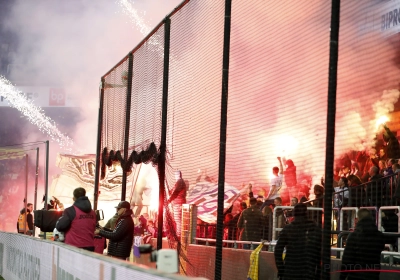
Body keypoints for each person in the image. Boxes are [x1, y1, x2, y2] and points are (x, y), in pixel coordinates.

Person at [274, 203, 321, 280]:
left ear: (294, 213)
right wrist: (318, 272)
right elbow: (320, 252)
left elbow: (278, 250)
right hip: (309, 271)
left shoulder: (288, 229)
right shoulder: (315, 229)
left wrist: (281, 269)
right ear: (306, 213)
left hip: (290, 271)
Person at [340, 209, 385, 280]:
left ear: (358, 219)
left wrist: (342, 277)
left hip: (355, 276)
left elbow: (347, 259)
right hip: (373, 275)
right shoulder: (379, 235)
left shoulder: (353, 236)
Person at [167, 170, 187, 237]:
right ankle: (178, 234)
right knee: (177, 220)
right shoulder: (178, 182)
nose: (175, 176)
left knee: (178, 220)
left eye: (176, 175)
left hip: (178, 203)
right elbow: (173, 191)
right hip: (177, 203)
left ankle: (179, 235)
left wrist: (169, 200)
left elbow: (175, 192)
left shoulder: (180, 182)